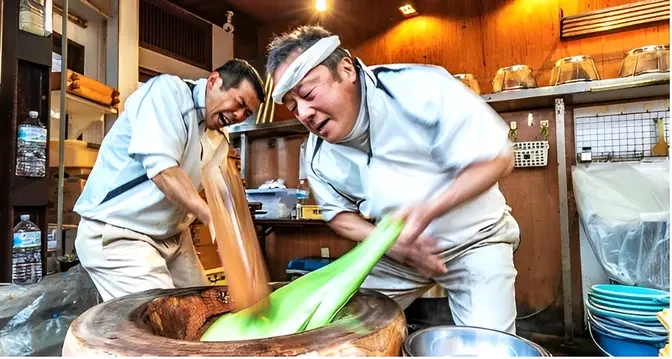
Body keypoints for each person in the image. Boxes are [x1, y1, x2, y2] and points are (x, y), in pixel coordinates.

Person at [266, 26, 521, 334]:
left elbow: (498, 157)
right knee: (336, 328)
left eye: (307, 94)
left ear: (346, 69)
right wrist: (394, 246)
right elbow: (339, 216)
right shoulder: (317, 154)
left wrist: (427, 209)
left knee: (490, 347)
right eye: (293, 107)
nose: (304, 113)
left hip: (477, 238)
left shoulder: (419, 87)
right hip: (397, 251)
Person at [73, 59, 265, 302]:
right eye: (239, 104)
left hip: (172, 237)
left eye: (246, 113)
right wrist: (213, 219)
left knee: (206, 308)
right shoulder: (167, 94)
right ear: (214, 81)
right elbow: (163, 172)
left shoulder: (218, 134)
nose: (238, 115)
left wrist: (238, 239)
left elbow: (219, 188)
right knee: (163, 320)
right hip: (120, 233)